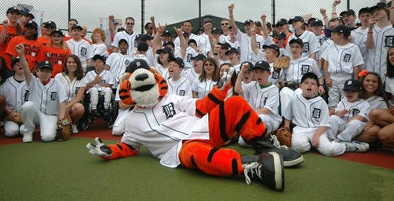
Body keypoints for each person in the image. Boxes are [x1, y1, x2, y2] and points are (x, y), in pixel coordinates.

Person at [87, 61, 304, 191]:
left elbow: (201, 107)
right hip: (181, 148)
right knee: (197, 155)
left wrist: (220, 89)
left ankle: (267, 148)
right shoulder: (131, 121)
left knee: (236, 103)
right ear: (128, 86)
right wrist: (110, 150)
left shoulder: (170, 98)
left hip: (204, 127)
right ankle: (253, 166)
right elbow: (130, 147)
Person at [284, 72, 346, 156]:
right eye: (306, 83)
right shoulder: (295, 99)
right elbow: (288, 115)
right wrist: (286, 127)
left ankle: (344, 146)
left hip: (317, 130)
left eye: (313, 84)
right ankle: (312, 145)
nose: (309, 85)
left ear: (317, 88)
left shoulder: (321, 102)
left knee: (330, 151)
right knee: (298, 147)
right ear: (300, 86)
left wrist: (316, 136)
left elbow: (324, 123)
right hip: (300, 129)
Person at [16, 44, 67, 142]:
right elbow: (26, 70)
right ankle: (28, 132)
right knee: (28, 105)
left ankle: (27, 127)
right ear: (37, 72)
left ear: (51, 73)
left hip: (50, 115)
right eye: (42, 71)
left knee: (48, 138)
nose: (45, 73)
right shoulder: (33, 81)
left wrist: (61, 119)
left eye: (48, 71)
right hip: (35, 114)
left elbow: (63, 101)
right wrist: (21, 55)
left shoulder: (57, 83)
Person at [280, 38, 324, 119]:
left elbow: (319, 76)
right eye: (292, 47)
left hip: (304, 87)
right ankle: (286, 121)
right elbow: (282, 79)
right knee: (284, 92)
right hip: (289, 86)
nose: (294, 49)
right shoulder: (286, 62)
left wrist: (320, 85)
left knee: (298, 93)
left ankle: (299, 119)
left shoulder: (310, 61)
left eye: (297, 47)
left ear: (302, 48)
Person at [321, 25, 363, 109]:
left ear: (341, 35)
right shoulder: (330, 47)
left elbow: (356, 66)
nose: (332, 35)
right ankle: (332, 119)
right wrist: (327, 78)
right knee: (332, 101)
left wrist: (354, 81)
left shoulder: (353, 47)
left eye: (334, 34)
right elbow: (326, 63)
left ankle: (346, 119)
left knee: (346, 100)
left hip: (346, 77)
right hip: (332, 77)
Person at [235, 61, 281, 135]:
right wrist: (241, 72)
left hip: (271, 120)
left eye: (262, 72)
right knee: (243, 142)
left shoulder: (273, 89)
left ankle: (268, 137)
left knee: (261, 118)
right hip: (254, 119)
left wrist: (247, 118)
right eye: (256, 72)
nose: (258, 74)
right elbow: (237, 89)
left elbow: (266, 111)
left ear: (269, 73)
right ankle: (257, 138)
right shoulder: (252, 85)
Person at [327, 79, 370, 152]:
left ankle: (341, 140)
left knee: (355, 123)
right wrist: (340, 113)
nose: (349, 93)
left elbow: (361, 118)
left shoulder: (365, 103)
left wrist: (349, 121)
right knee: (333, 118)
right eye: (347, 91)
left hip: (354, 127)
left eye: (353, 91)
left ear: (359, 92)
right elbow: (336, 111)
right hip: (343, 124)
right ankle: (330, 139)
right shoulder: (343, 101)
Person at [55, 54, 86, 134]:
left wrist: (67, 107)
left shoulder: (81, 78)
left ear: (77, 64)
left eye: (74, 62)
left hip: (72, 106)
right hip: (59, 105)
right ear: (65, 64)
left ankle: (73, 123)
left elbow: (78, 97)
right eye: (69, 62)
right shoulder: (59, 77)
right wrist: (63, 108)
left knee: (80, 107)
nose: (71, 64)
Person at [0, 57, 28, 137]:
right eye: (16, 64)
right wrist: (10, 113)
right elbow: (3, 101)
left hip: (27, 115)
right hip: (11, 115)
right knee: (11, 132)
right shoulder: (6, 82)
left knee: (24, 131)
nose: (20, 65)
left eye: (22, 62)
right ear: (12, 68)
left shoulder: (33, 81)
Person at [366, 4, 394, 80]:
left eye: (379, 9)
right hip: (371, 70)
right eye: (374, 11)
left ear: (387, 10)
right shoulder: (370, 29)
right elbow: (369, 46)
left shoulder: (392, 29)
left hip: (389, 71)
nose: (376, 12)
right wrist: (370, 28)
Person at [0, 7, 23, 71]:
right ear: (7, 15)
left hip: (16, 61)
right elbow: (0, 42)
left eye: (17, 14)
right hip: (2, 59)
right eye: (12, 13)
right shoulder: (0, 27)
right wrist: (5, 28)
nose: (14, 15)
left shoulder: (22, 29)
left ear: (20, 16)